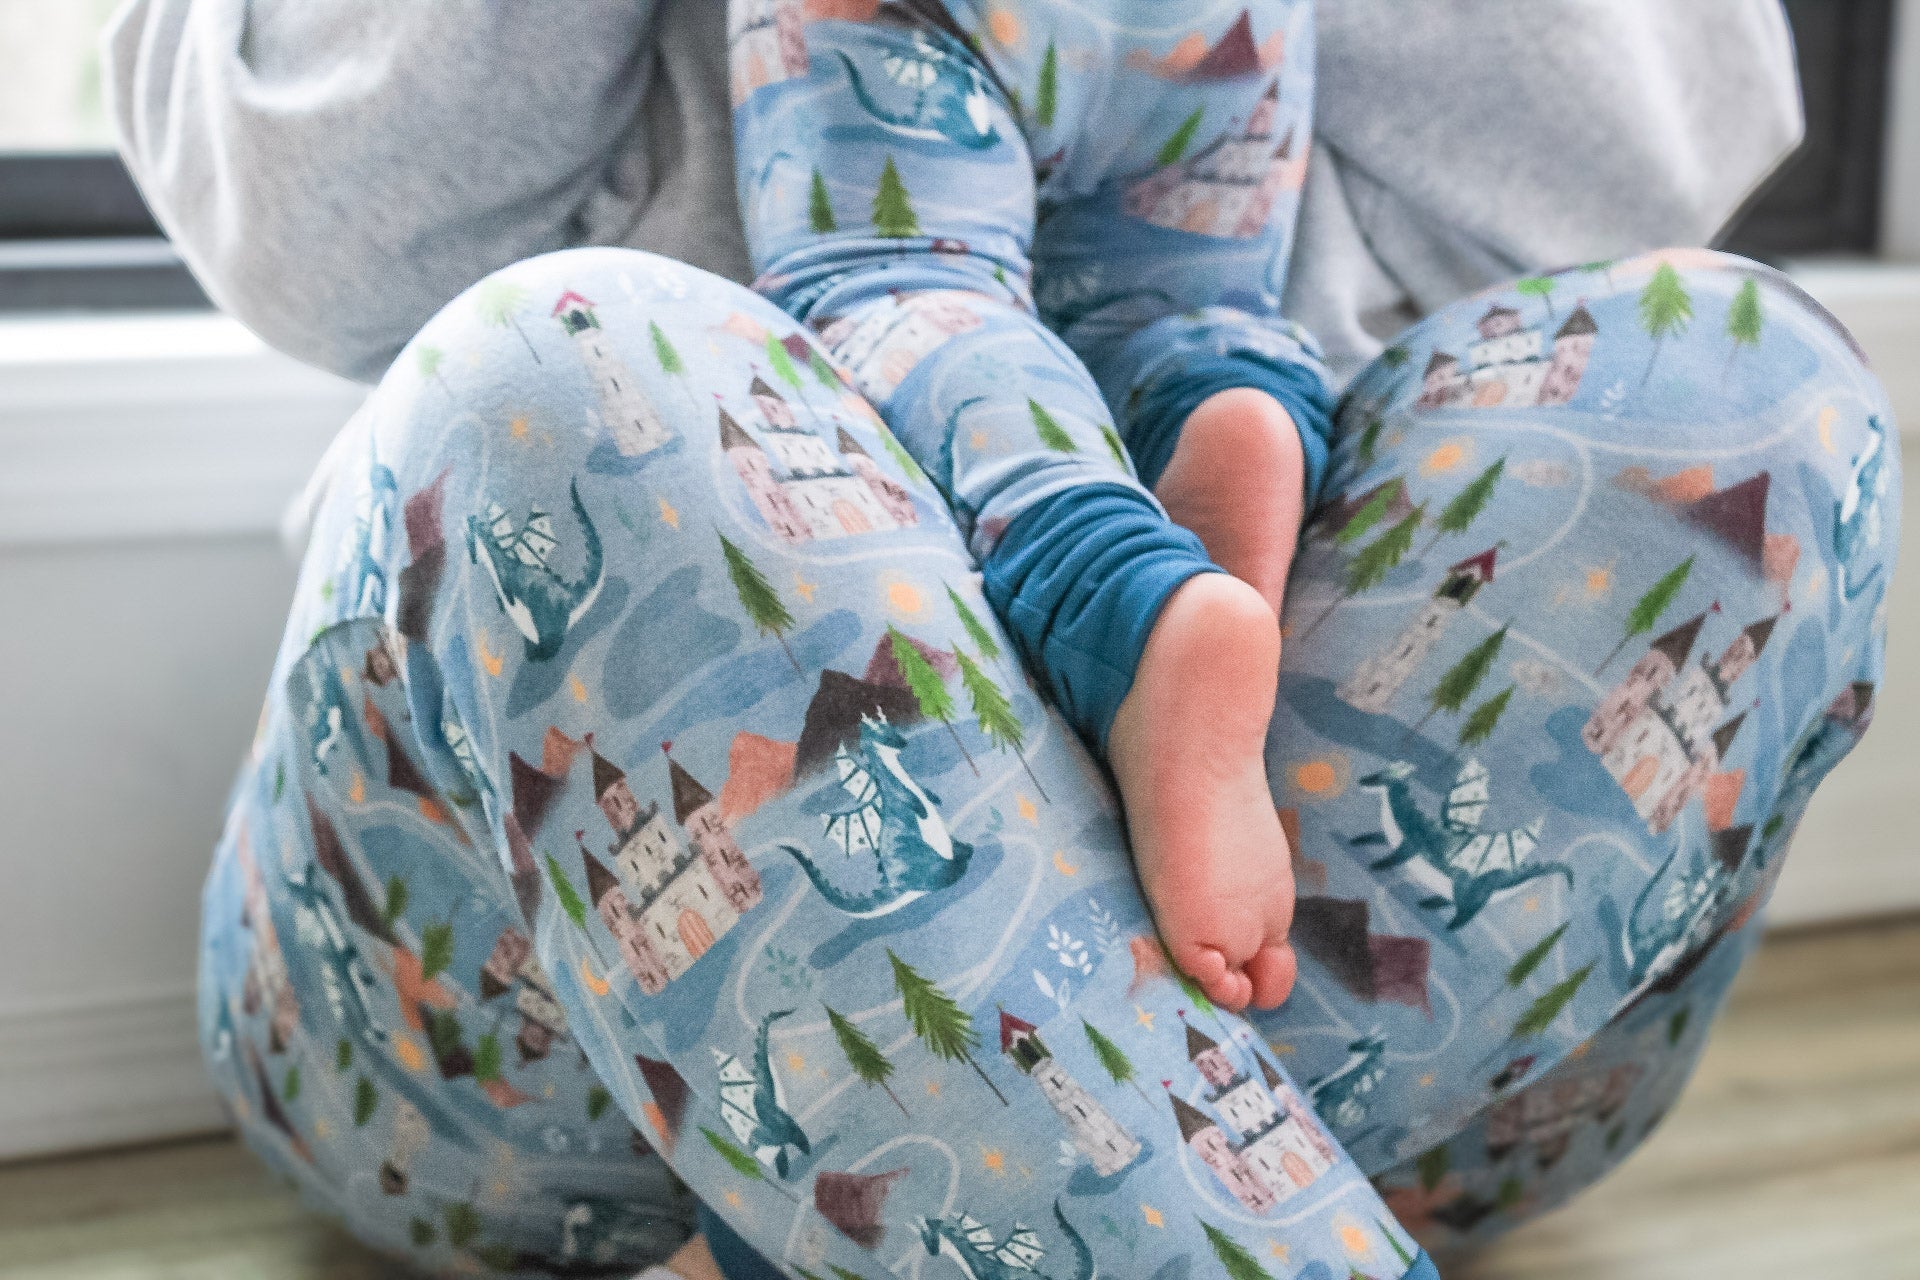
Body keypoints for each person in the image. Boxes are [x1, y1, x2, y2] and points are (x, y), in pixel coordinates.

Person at [110, 4, 1897, 1280]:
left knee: (1755, 393)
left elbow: (1667, 129)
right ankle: (1057, 1148)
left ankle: (929, 1175)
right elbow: (312, 224)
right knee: (562, 378)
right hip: (524, 1005)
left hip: (1380, 929)